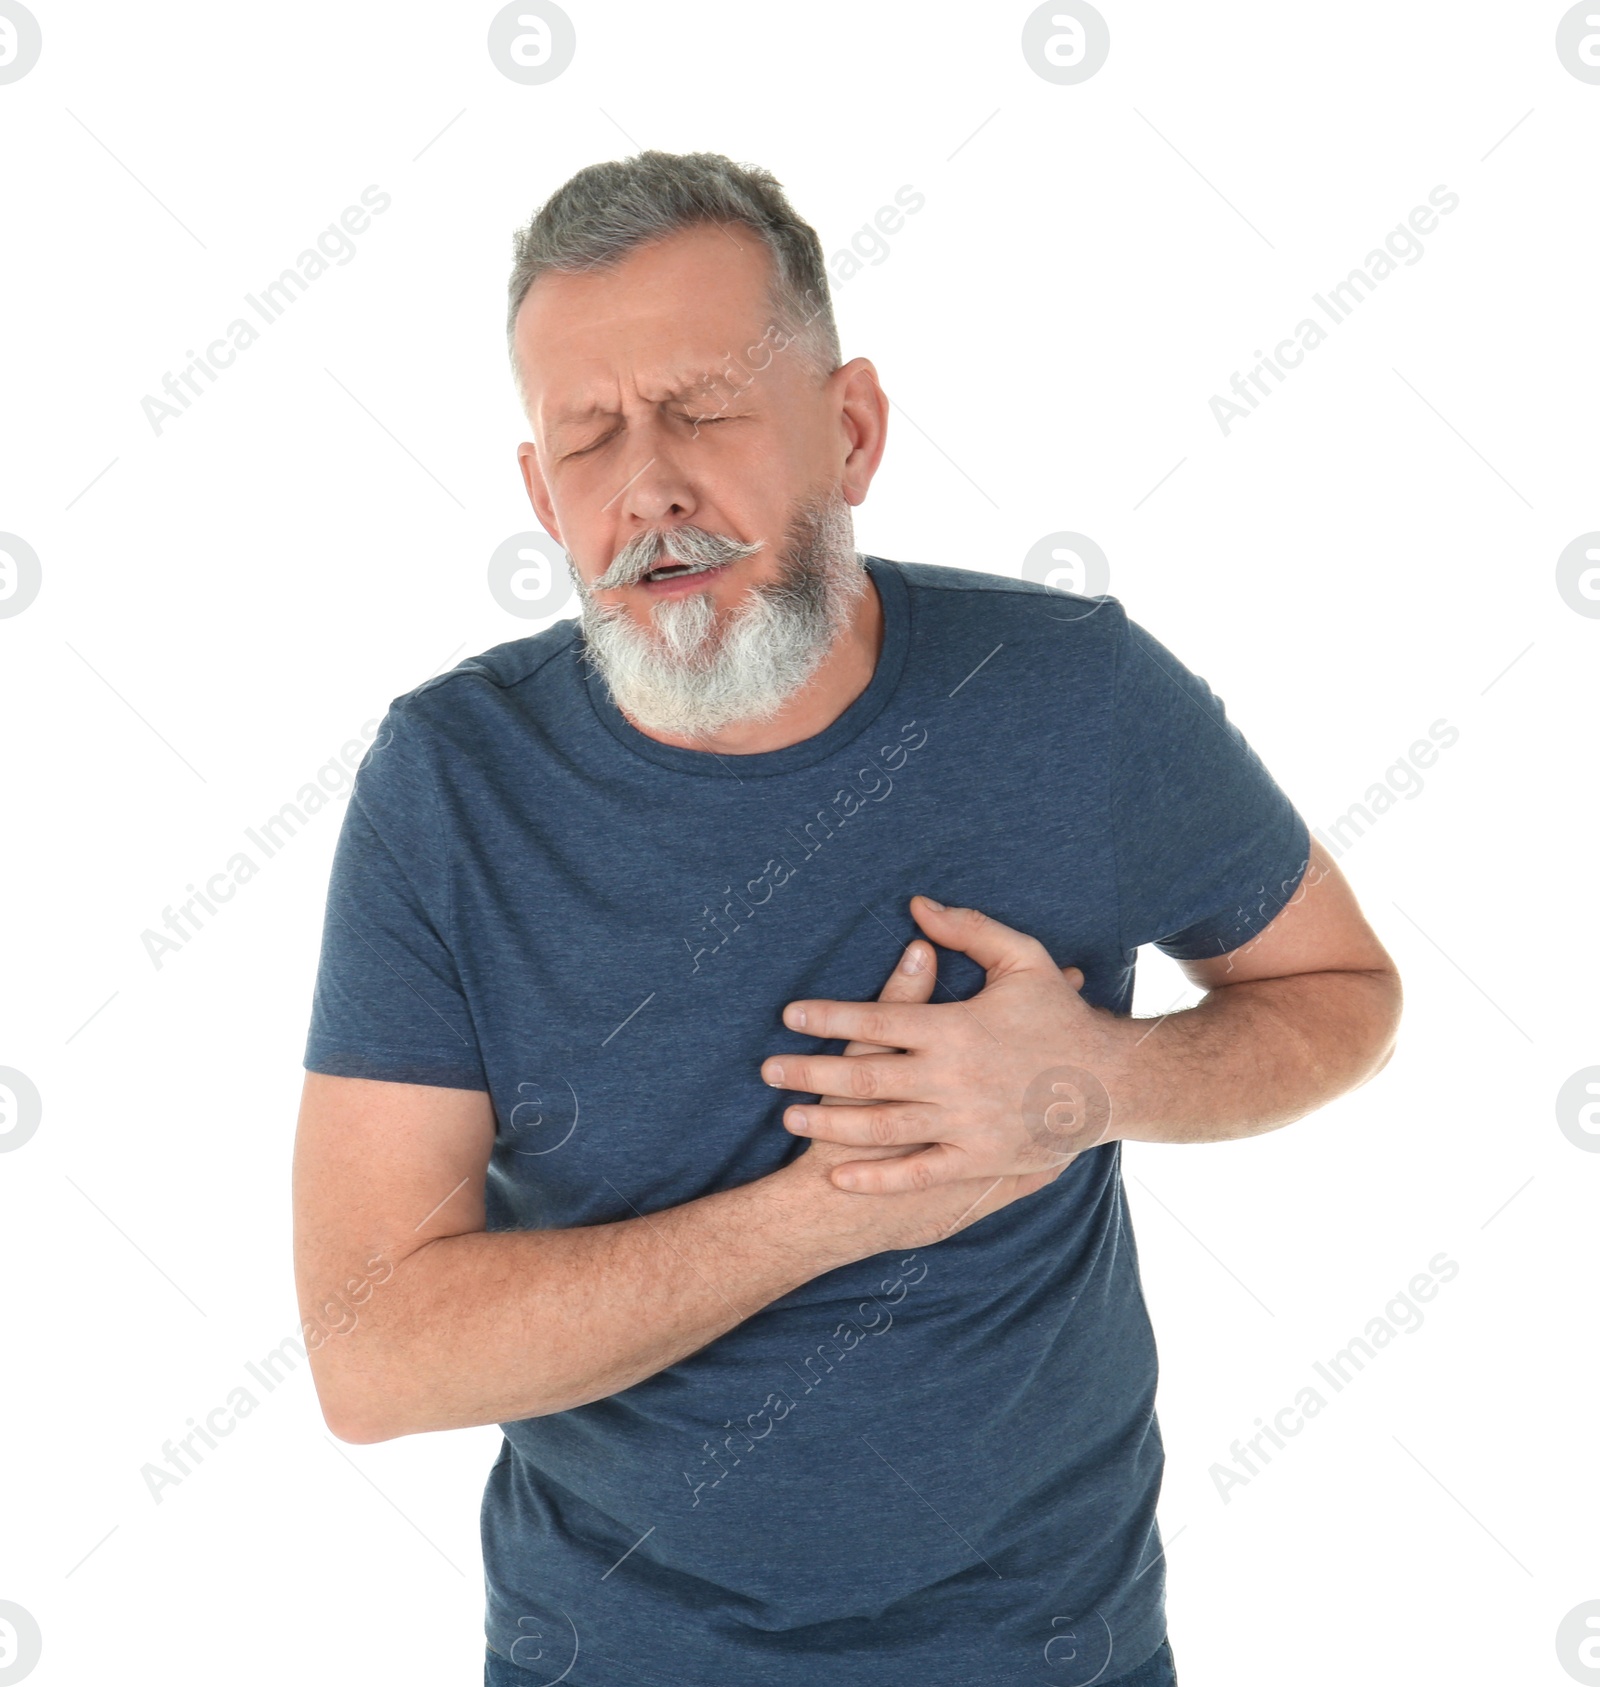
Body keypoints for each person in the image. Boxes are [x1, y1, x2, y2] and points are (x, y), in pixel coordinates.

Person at [291, 151, 1402, 1687]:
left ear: (853, 428)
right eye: (594, 436)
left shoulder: (1073, 695)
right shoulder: (449, 785)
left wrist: (1094, 1080)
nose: (653, 486)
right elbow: (373, 1352)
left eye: (705, 407)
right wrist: (844, 1206)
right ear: (544, 496)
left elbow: (1343, 991)